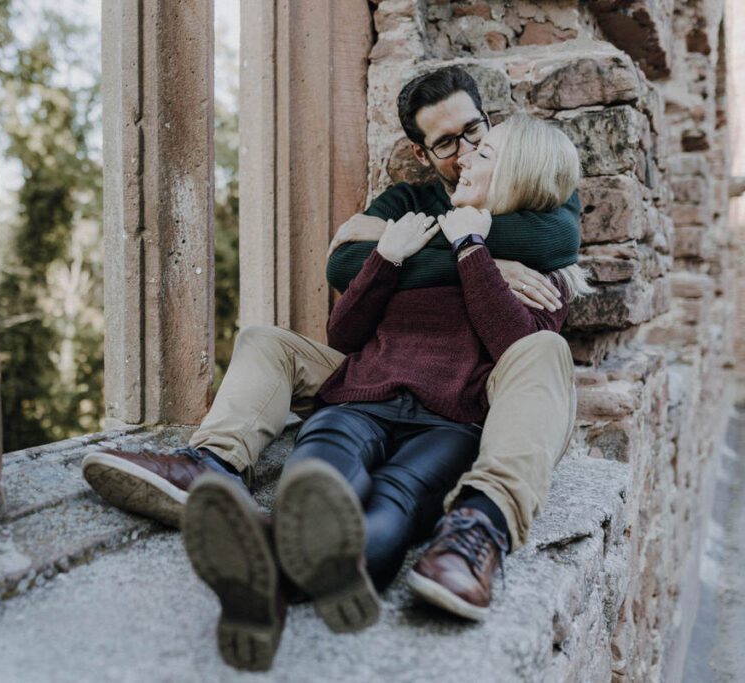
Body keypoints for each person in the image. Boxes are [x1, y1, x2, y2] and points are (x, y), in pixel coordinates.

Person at [83, 66, 581, 626]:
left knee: (532, 364)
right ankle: (213, 464)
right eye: (448, 144)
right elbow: (344, 268)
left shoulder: (546, 235)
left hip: (455, 404)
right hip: (366, 381)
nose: (465, 154)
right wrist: (401, 254)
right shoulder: (407, 200)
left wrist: (471, 248)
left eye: (477, 139)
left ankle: (474, 529)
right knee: (272, 357)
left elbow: (551, 252)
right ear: (422, 152)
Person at [182, 114, 590, 671]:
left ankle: (274, 579)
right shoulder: (416, 215)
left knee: (396, 501)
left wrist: (473, 247)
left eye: (484, 154)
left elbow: (512, 342)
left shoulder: (544, 271)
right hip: (362, 396)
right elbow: (344, 334)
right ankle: (243, 501)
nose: (465, 159)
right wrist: (389, 257)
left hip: (450, 420)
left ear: (518, 174)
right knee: (322, 473)